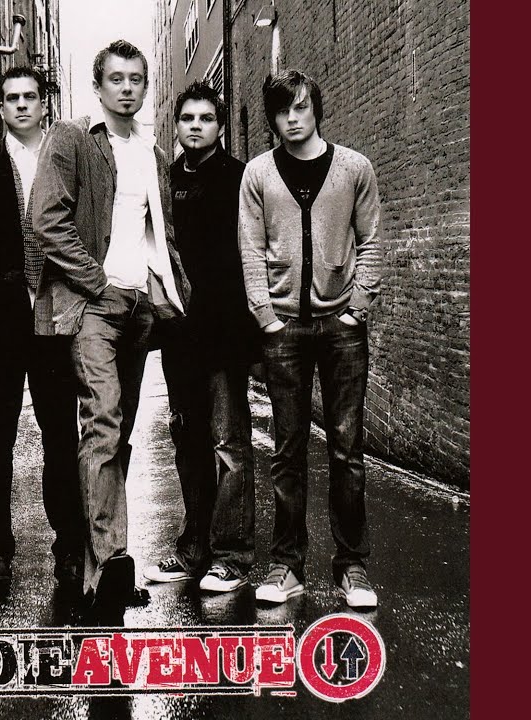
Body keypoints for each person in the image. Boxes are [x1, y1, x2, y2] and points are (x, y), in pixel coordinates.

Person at [31, 39, 190, 611]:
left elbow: (157, 232)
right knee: (102, 420)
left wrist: (163, 287)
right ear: (97, 87)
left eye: (136, 79)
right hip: (94, 304)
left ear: (146, 87)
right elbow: (46, 221)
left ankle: (98, 566)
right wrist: (97, 282)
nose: (126, 88)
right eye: (116, 79)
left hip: (139, 307)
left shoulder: (152, 151)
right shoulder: (73, 138)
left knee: (118, 433)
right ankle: (112, 559)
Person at [239, 69, 383, 609]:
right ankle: (287, 567)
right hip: (283, 328)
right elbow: (251, 249)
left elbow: (371, 240)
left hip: (342, 327)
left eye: (300, 107)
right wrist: (265, 317)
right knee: (288, 451)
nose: (292, 118)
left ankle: (353, 568)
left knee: (347, 449)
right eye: (282, 111)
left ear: (316, 109)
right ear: (272, 119)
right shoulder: (258, 173)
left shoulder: (353, 168)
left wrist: (357, 308)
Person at [0, 66, 83, 596]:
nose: (20, 105)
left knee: (61, 434)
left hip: (56, 315)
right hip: (2, 318)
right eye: (11, 97)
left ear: (43, 104)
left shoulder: (63, 159)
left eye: (29, 97)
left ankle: (70, 547)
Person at [142, 82, 259, 594]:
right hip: (180, 337)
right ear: (177, 125)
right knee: (188, 444)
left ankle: (232, 555)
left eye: (206, 118)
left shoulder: (239, 178)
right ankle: (194, 550)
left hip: (225, 335)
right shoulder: (165, 182)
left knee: (229, 444)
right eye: (187, 118)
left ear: (220, 126)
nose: (195, 126)